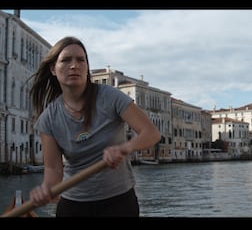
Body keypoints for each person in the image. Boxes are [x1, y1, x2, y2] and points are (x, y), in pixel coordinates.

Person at [28, 36, 161, 217]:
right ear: (53, 69)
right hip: (73, 205)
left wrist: (125, 148)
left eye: (80, 60)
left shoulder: (111, 97)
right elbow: (53, 169)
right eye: (66, 60)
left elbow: (151, 133)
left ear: (87, 67)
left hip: (119, 202)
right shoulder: (49, 119)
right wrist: (47, 188)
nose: (74, 65)